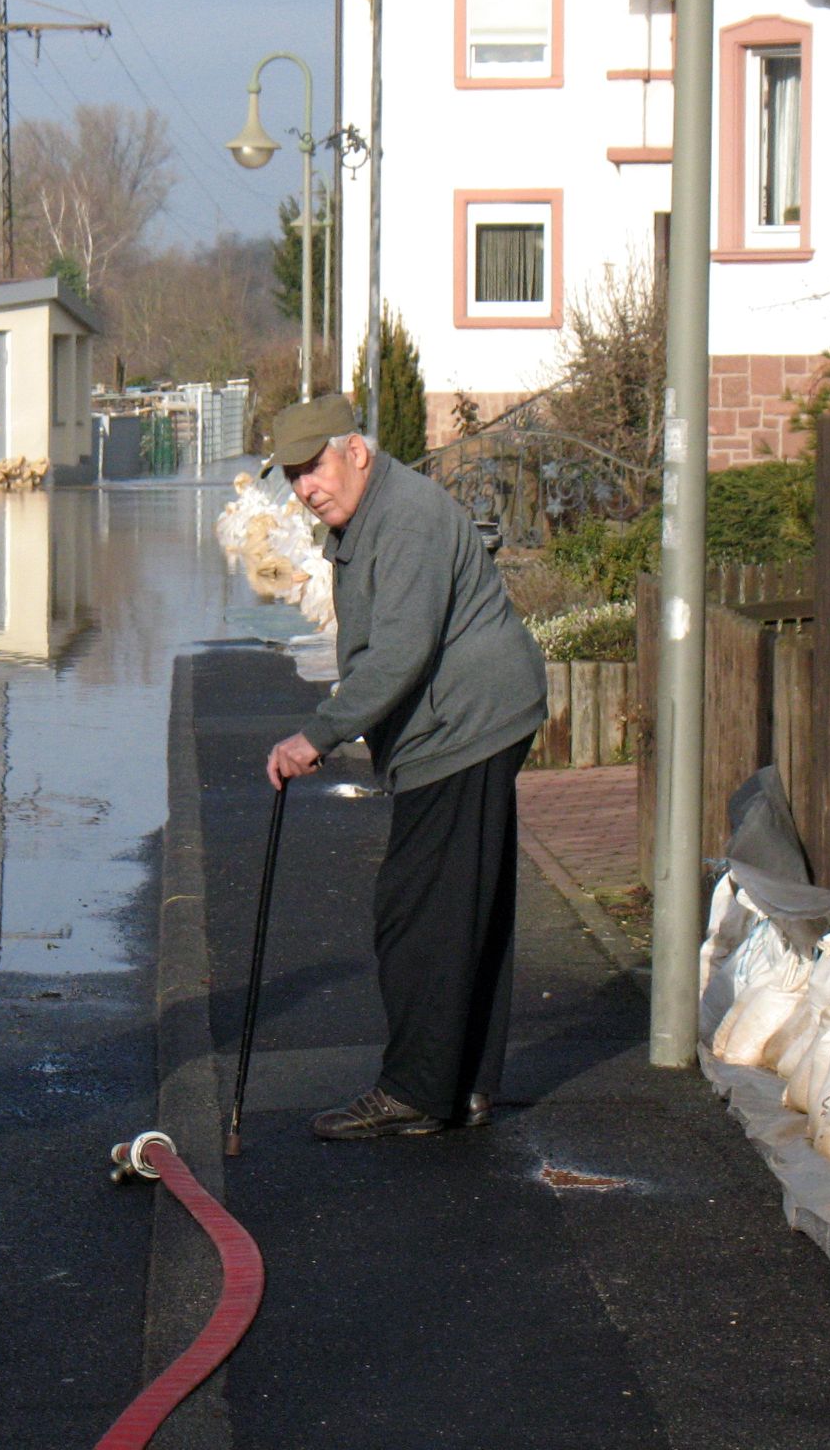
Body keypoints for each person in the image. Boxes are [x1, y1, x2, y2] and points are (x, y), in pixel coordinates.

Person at [262, 394, 547, 1140]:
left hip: (466, 724)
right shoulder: (373, 513)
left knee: (417, 914)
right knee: (464, 906)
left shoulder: (408, 517)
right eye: (292, 476)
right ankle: (463, 1086)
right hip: (463, 721)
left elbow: (400, 652)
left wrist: (316, 735)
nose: (304, 488)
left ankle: (417, 1091)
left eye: (313, 468)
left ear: (355, 450)